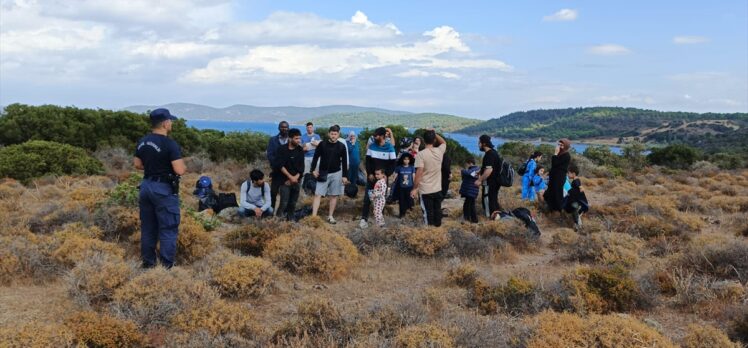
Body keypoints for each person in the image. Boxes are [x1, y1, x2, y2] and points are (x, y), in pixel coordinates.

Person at [133, 108, 186, 269]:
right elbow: (179, 170)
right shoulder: (169, 144)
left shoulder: (143, 141)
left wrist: (153, 167)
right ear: (165, 123)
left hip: (146, 186)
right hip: (163, 189)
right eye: (170, 121)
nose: (171, 123)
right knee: (168, 228)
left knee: (148, 228)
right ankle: (166, 268)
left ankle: (148, 265)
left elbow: (137, 164)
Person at [311, 125, 349, 224]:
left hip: (336, 173)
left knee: (334, 195)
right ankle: (313, 217)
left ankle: (330, 216)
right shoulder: (322, 144)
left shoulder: (341, 146)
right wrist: (312, 170)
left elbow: (344, 162)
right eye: (332, 134)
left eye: (335, 134)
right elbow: (315, 157)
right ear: (329, 134)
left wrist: (345, 176)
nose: (333, 136)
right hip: (323, 172)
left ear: (338, 134)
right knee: (317, 194)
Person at [360, 127, 397, 228]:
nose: (374, 137)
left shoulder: (390, 148)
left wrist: (386, 175)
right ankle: (364, 219)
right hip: (372, 178)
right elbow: (367, 161)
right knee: (367, 198)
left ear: (382, 136)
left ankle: (380, 221)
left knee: (381, 199)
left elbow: (393, 164)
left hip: (383, 180)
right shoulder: (372, 146)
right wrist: (370, 174)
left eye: (376, 135)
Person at [411, 129, 446, 227]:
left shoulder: (421, 154)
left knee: (428, 215)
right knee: (437, 212)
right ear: (434, 140)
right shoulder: (439, 151)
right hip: (437, 189)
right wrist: (434, 133)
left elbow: (419, 173)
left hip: (426, 190)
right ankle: (437, 233)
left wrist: (414, 188)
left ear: (424, 141)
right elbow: (443, 142)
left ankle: (429, 235)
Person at [276, 128, 304, 220]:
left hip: (296, 181)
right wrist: (290, 177)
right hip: (285, 181)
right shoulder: (282, 149)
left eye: (299, 138)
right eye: (296, 138)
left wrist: (295, 178)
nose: (298, 140)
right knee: (284, 203)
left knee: (293, 203)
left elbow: (301, 167)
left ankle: (290, 220)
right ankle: (278, 220)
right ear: (290, 138)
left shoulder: (300, 150)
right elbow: (280, 165)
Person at [474, 134, 503, 217]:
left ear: (484, 144)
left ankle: (489, 217)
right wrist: (480, 171)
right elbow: (490, 167)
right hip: (495, 182)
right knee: (493, 199)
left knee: (487, 200)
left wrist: (479, 180)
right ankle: (496, 216)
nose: (478, 144)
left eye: (479, 143)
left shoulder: (489, 155)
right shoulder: (494, 152)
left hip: (490, 183)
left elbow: (489, 170)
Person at [267, 121, 290, 212]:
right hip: (276, 172)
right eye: (282, 127)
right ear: (279, 128)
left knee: (285, 196)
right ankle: (271, 212)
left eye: (286, 127)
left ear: (288, 128)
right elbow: (270, 155)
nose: (284, 129)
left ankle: (282, 214)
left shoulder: (291, 140)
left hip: (288, 173)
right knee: (273, 193)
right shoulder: (273, 140)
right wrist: (277, 166)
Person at [544, 139, 572, 212]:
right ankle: (551, 208)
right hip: (553, 176)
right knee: (550, 192)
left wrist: (555, 154)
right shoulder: (560, 154)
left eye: (562, 145)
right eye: (559, 144)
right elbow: (554, 166)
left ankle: (558, 209)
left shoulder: (566, 155)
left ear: (566, 146)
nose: (560, 146)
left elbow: (555, 164)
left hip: (559, 177)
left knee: (557, 193)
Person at [563, 164, 589, 230]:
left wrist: (580, 189)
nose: (567, 175)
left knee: (576, 214)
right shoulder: (575, 180)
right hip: (575, 200)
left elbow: (580, 187)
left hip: (577, 201)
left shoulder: (576, 180)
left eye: (568, 173)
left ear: (573, 173)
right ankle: (577, 225)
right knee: (575, 213)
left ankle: (579, 227)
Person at [393, 152, 415, 218]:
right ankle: (401, 214)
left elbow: (413, 177)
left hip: (409, 187)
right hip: (401, 187)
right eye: (405, 159)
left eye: (408, 159)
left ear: (410, 160)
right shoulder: (399, 168)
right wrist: (393, 180)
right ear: (402, 160)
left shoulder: (412, 168)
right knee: (401, 201)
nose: (406, 161)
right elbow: (395, 176)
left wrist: (415, 187)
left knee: (409, 200)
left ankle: (409, 212)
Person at [459, 158, 480, 223]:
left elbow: (469, 173)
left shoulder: (476, 169)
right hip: (470, 191)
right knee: (469, 205)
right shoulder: (473, 169)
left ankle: (469, 220)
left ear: (470, 163)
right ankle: (472, 219)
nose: (466, 165)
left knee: (468, 206)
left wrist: (462, 170)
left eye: (466, 164)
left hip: (471, 191)